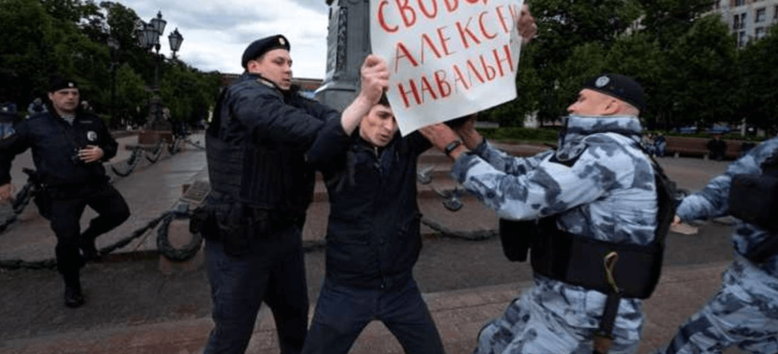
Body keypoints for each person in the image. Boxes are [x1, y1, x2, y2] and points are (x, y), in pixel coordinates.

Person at [420, 74, 675, 354]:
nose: (571, 107)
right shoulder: (589, 148)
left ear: (609, 106)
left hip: (585, 316)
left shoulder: (607, 154)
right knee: (492, 340)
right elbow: (517, 170)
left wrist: (454, 149)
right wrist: (470, 137)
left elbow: (518, 199)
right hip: (558, 298)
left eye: (581, 99)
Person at [195, 34, 389, 354]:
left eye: (290, 63)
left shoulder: (289, 98)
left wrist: (360, 123)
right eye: (279, 62)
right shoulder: (243, 93)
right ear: (253, 66)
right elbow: (281, 122)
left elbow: (325, 116)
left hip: (283, 235)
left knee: (295, 322)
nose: (288, 69)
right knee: (231, 335)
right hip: (240, 239)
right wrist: (346, 127)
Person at [300, 93, 445, 354]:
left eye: (396, 119)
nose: (389, 127)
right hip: (346, 289)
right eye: (382, 115)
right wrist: (367, 96)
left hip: (400, 287)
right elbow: (317, 153)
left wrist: (501, 52)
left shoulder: (405, 146)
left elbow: (454, 112)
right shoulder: (339, 149)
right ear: (363, 112)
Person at [655, 123, 778, 354]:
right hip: (754, 266)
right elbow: (726, 191)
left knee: (696, 340)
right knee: (758, 339)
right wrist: (679, 211)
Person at [0, 77, 130, 308]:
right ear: (51, 96)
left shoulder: (92, 120)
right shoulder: (35, 125)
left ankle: (88, 237)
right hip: (60, 192)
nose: (70, 97)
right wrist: (3, 180)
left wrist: (102, 152)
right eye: (63, 93)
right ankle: (72, 286)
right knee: (67, 240)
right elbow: (4, 151)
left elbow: (111, 146)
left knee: (119, 213)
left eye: (74, 93)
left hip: (94, 183)